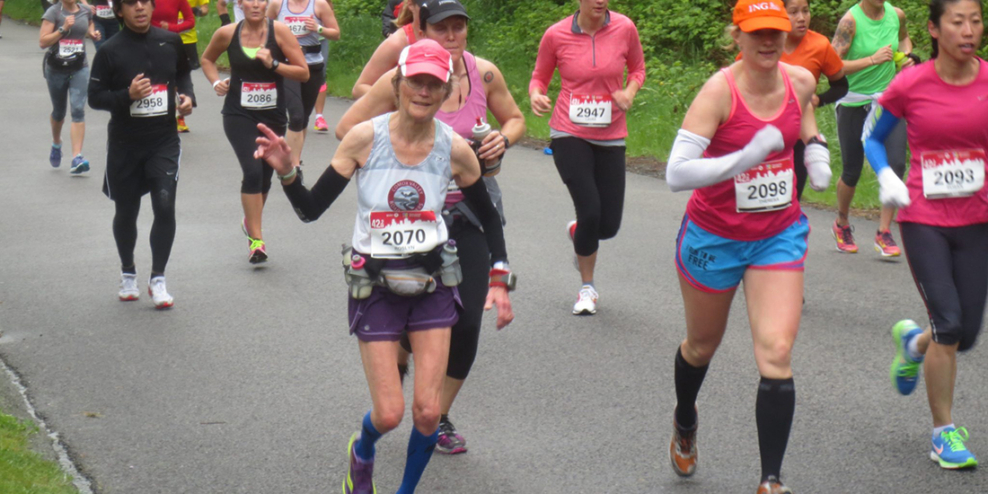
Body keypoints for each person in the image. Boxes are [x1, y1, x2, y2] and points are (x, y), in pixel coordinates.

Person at [255, 38, 514, 494]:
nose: (424, 91)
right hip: (375, 286)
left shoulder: (454, 149)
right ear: (398, 83)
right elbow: (311, 209)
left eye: (434, 83)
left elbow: (488, 216)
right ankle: (364, 448)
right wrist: (286, 171)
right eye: (415, 80)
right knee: (390, 413)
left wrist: (499, 276)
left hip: (434, 281)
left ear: (445, 88)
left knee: (429, 412)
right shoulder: (364, 139)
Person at [336, 0, 525, 455]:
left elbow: (516, 118)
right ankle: (401, 348)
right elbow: (348, 127)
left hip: (471, 213)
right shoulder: (403, 78)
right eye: (443, 29)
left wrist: (504, 139)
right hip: (411, 217)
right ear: (423, 32)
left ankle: (437, 415)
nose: (453, 37)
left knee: (468, 325)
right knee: (409, 307)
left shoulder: (486, 74)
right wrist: (394, 153)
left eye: (460, 28)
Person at [663, 0, 832, 491]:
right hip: (714, 236)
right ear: (736, 35)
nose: (767, 42)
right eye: (756, 32)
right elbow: (676, 173)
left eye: (775, 32)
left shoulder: (799, 80)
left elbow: (804, 123)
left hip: (776, 235)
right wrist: (743, 157)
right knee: (701, 346)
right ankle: (685, 420)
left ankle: (771, 481)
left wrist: (817, 153)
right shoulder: (719, 92)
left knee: (776, 352)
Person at [863, 0, 986, 471]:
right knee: (950, 325)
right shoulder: (911, 83)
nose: (969, 29)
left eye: (976, 20)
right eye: (958, 21)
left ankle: (914, 343)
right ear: (935, 30)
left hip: (978, 219)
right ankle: (942, 433)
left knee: (966, 334)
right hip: (925, 219)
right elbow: (874, 138)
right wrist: (885, 175)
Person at [529, 0, 645, 315]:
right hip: (569, 132)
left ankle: (578, 231)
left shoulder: (625, 28)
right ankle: (587, 288)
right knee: (590, 211)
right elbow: (539, 77)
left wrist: (629, 93)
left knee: (607, 226)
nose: (600, 1)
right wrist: (536, 95)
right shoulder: (556, 35)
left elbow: (637, 69)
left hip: (611, 135)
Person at [88, 0, 195, 308]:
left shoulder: (170, 41)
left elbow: (184, 75)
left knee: (164, 206)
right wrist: (127, 96)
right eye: (131, 4)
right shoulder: (110, 50)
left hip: (163, 141)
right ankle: (128, 272)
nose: (140, 8)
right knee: (126, 211)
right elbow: (95, 98)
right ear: (119, 11)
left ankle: (158, 279)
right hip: (125, 143)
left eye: (145, 2)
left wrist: (187, 97)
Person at [201, 0, 309, 263]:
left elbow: (303, 72)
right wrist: (216, 81)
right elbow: (206, 59)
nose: (257, 4)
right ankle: (257, 241)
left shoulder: (280, 31)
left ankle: (250, 221)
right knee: (252, 169)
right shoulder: (228, 33)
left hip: (272, 116)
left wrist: (273, 64)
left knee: (264, 176)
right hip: (238, 114)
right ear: (240, 3)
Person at [830, 0, 916, 256]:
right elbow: (831, 65)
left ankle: (884, 231)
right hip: (854, 101)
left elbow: (904, 40)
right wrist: (871, 59)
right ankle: (841, 223)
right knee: (852, 170)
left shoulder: (896, 15)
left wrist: (907, 58)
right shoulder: (851, 21)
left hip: (888, 100)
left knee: (896, 164)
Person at [738, 0, 847, 200]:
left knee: (790, 199)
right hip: (760, 134)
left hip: (797, 136)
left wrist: (817, 100)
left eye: (805, 11)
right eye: (794, 12)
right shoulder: (761, 47)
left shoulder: (819, 45)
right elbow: (738, 88)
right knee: (754, 201)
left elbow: (841, 86)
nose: (801, 18)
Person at [267, 0, 338, 169]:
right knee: (296, 116)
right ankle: (293, 165)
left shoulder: (320, 5)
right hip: (288, 66)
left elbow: (336, 33)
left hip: (312, 67)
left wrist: (318, 28)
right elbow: (264, 29)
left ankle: (295, 159)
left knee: (303, 118)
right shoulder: (277, 4)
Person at [40, 0, 101, 174]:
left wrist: (92, 33)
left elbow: (89, 24)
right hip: (56, 69)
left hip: (79, 67)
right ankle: (56, 143)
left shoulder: (85, 10)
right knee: (59, 112)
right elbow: (43, 42)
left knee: (78, 110)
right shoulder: (53, 13)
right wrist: (62, 29)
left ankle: (77, 157)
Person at [351, 0, 421, 98]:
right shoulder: (398, 42)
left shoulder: (448, 38)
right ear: (411, 4)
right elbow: (359, 88)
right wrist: (400, 103)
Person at [174, 0, 208, 132]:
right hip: (167, 38)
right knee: (168, 77)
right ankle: (171, 115)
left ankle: (180, 117)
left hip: (187, 40)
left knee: (183, 76)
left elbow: (205, 9)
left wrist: (197, 11)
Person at [312, 31, 330, 132]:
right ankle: (296, 112)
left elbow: (333, 28)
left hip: (319, 40)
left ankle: (319, 117)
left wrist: (318, 28)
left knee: (320, 74)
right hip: (293, 39)